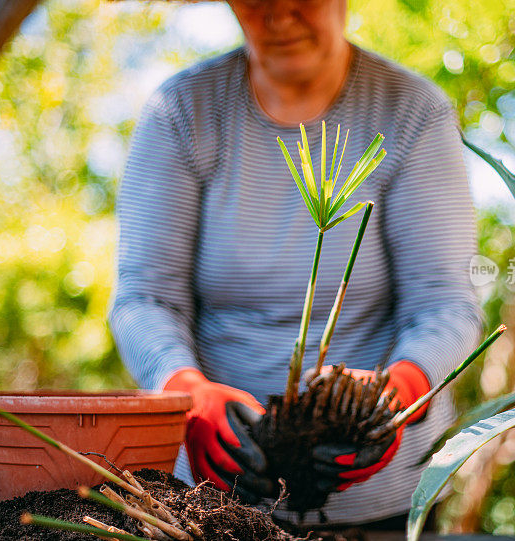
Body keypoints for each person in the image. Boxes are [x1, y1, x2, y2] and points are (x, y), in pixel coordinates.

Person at [109, 0, 482, 528]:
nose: (280, 14)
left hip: (381, 504)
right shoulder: (183, 111)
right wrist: (186, 392)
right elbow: (144, 298)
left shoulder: (412, 111)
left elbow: (445, 304)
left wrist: (396, 395)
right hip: (216, 497)